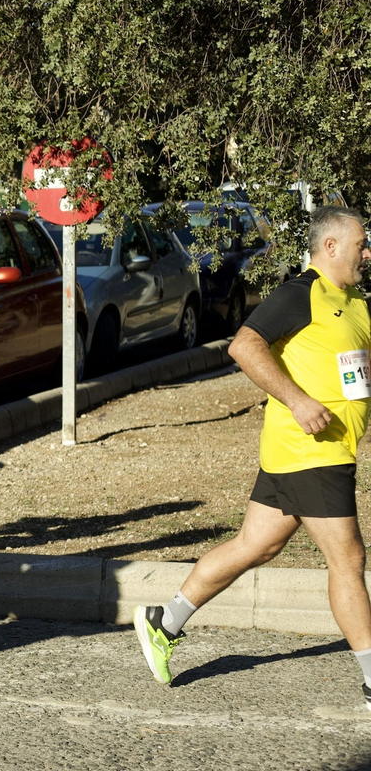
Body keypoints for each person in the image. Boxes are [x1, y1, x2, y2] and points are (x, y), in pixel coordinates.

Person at [134, 207, 371, 711]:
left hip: (324, 451)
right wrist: (297, 399)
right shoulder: (299, 294)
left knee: (254, 546)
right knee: (347, 559)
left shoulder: (354, 303)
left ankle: (164, 620)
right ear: (330, 246)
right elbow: (244, 346)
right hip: (310, 451)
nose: (367, 253)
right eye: (362, 244)